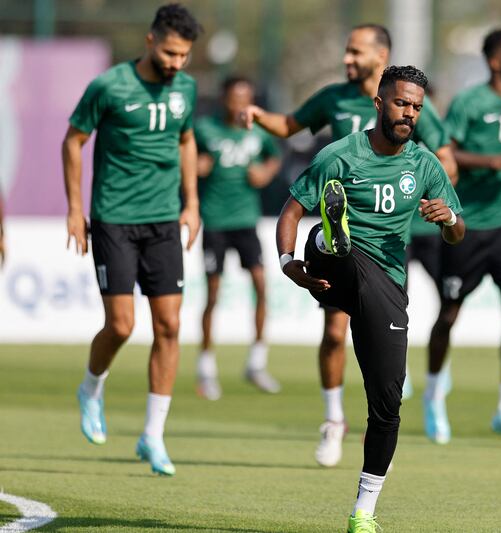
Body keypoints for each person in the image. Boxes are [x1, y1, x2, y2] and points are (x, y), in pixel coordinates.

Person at [244, 23, 457, 467]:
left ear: (380, 55)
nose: (347, 59)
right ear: (380, 101)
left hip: (398, 232)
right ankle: (334, 420)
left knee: (397, 324)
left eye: (355, 52)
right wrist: (257, 115)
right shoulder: (334, 102)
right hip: (349, 237)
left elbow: (445, 158)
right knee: (334, 330)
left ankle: (401, 386)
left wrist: (439, 203)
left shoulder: (417, 110)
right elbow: (289, 126)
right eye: (346, 51)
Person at [276, 64, 463, 533]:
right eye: (401, 103)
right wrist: (286, 261)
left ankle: (363, 511)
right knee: (332, 240)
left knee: (387, 405)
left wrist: (448, 220)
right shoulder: (340, 155)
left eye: (417, 107)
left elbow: (458, 232)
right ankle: (327, 240)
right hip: (334, 272)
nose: (409, 114)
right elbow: (291, 208)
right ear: (378, 103)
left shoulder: (423, 164)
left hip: (385, 286)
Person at [62, 3, 201, 476]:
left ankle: (153, 436)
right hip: (114, 220)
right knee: (121, 325)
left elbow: (186, 140)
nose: (176, 64)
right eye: (169, 52)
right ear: (149, 40)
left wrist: (192, 202)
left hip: (164, 221)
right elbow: (73, 141)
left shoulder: (186, 87)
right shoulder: (109, 86)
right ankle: (90, 388)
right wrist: (76, 209)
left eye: (183, 56)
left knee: (169, 327)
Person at [425, 29, 501, 444]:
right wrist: (494, 161)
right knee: (450, 313)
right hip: (466, 223)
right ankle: (434, 394)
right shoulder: (470, 102)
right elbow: (446, 152)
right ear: (495, 61)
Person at [194, 75, 282, 401]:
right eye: (235, 97)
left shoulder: (258, 131)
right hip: (215, 222)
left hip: (246, 221)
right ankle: (206, 366)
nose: (240, 104)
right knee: (213, 293)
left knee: (261, 285)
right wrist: (195, 165)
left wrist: (266, 172)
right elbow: (183, 155)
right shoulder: (205, 130)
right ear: (224, 99)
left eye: (246, 97)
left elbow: (276, 155)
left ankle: (256, 363)